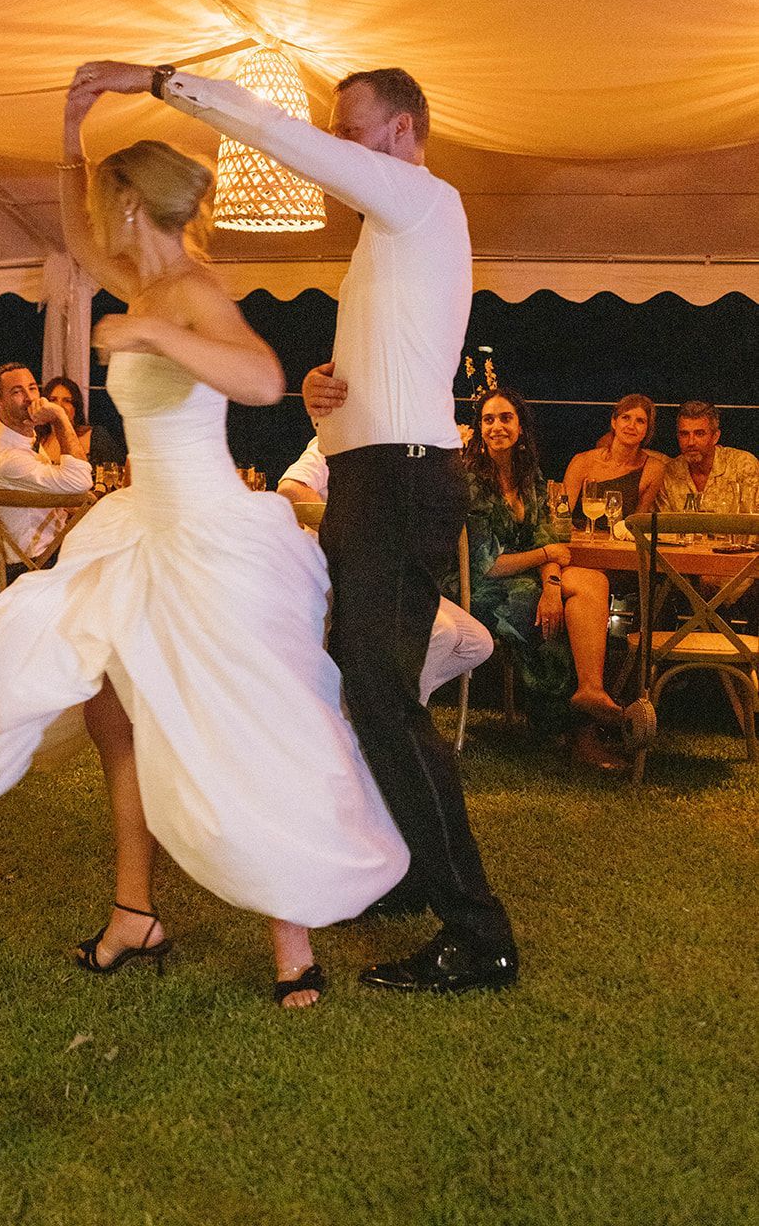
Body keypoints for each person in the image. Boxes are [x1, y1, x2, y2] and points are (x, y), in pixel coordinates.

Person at [0, 79, 407, 1009]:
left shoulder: (184, 291)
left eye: (111, 201)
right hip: (141, 528)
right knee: (113, 719)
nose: (100, 220)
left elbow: (263, 380)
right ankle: (134, 912)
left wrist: (152, 331)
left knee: (247, 720)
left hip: (206, 538)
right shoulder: (140, 277)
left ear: (136, 206)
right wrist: (71, 130)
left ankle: (290, 945)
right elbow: (74, 235)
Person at [73, 58, 515, 997]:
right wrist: (326, 400)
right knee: (368, 683)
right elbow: (394, 370)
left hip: (401, 482)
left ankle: (479, 936)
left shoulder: (419, 198)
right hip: (371, 473)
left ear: (401, 130)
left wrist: (158, 81)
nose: (339, 148)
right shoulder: (389, 240)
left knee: (383, 697)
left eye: (351, 131)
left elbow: (286, 140)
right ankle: (402, 872)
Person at [464, 389, 656, 768]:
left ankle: (590, 689)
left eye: (506, 418)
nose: (497, 426)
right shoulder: (472, 479)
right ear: (479, 429)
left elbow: (544, 535)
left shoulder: (528, 475)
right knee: (554, 629)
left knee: (592, 581)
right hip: (475, 585)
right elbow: (486, 564)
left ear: (520, 426)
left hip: (523, 574)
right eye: (489, 419)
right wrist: (547, 558)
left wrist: (552, 583)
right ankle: (576, 737)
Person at [277, 435, 494, 706]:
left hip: (391, 575)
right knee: (441, 633)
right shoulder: (337, 440)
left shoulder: (411, 454)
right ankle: (389, 725)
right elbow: (290, 488)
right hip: (341, 570)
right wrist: (355, 533)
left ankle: (380, 711)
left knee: (477, 644)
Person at [0, 363, 93, 579]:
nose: (30, 398)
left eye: (32, 388)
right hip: (36, 563)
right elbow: (82, 481)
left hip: (51, 551)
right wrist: (60, 418)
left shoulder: (16, 434)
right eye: (17, 392)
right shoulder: (8, 457)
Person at [562, 394, 665, 526]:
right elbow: (561, 517)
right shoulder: (582, 461)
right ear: (614, 422)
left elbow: (637, 524)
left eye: (640, 421)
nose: (631, 426)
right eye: (625, 418)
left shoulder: (654, 469)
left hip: (620, 543)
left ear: (647, 429)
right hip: (578, 540)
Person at [657, 401, 759, 513]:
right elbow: (664, 528)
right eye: (684, 434)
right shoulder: (669, 474)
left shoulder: (742, 465)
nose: (690, 442)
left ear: (715, 437)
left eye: (699, 434)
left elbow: (754, 521)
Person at [40, 374, 124, 468]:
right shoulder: (37, 440)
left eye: (67, 401)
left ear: (76, 407)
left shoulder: (96, 436)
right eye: (53, 400)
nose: (59, 406)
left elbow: (117, 472)